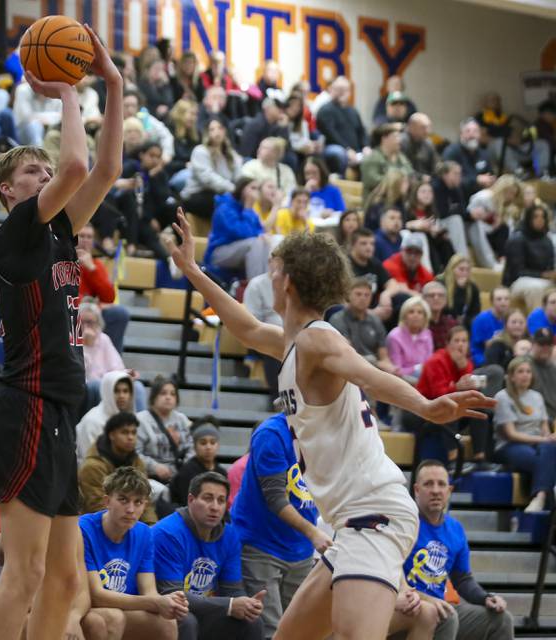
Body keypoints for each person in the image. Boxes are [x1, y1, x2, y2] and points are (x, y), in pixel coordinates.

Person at [169, 211, 494, 639]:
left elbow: (367, 373)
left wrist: (427, 405)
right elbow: (245, 327)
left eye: (274, 268)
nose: (269, 274)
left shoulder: (316, 339)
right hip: (350, 523)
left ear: (288, 282)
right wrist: (192, 269)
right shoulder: (293, 343)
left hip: (373, 512)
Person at [0, 26, 123, 640]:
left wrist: (112, 84)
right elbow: (75, 163)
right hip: (27, 408)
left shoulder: (61, 234)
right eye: (30, 172)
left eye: (43, 169)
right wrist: (68, 92)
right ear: (9, 191)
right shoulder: (14, 236)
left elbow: (106, 166)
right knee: (27, 571)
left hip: (62, 411)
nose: (46, 175)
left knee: (67, 583)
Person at [230, 414, 327, 640]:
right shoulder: (271, 434)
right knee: (270, 630)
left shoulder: (323, 432)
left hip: (300, 547)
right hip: (262, 545)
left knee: (301, 629)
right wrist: (313, 532)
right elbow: (275, 499)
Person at [404, 460, 515, 639]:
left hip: (442, 608)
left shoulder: (455, 529)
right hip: (408, 607)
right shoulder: (405, 524)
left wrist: (485, 598)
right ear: (417, 490)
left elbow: (462, 579)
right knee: (447, 616)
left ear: (449, 491)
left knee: (501, 620)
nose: (435, 490)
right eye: (428, 484)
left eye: (441, 484)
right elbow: (391, 576)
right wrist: (426, 600)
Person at [153, 472, 265, 640]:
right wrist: (230, 605)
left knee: (252, 621)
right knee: (187, 621)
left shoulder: (230, 535)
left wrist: (247, 605)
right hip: (165, 609)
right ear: (191, 500)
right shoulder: (167, 533)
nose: (215, 507)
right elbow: (173, 593)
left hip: (206, 610)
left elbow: (232, 589)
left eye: (221, 501)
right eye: (207, 498)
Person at [80, 466, 186, 639]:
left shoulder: (144, 533)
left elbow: (149, 591)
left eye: (138, 502)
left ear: (145, 505)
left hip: (125, 607)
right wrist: (155, 602)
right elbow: (96, 596)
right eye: (123, 500)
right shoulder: (84, 529)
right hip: (88, 608)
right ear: (107, 501)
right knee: (113, 618)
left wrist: (170, 602)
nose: (130, 510)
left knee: (168, 622)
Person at [412, 326, 503, 469]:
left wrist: (463, 368)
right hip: (424, 410)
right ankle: (453, 459)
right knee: (450, 405)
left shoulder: (466, 363)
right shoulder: (435, 361)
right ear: (447, 344)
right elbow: (439, 395)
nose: (461, 344)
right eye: (457, 340)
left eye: (464, 341)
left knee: (480, 411)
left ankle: (480, 458)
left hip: (446, 409)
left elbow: (468, 391)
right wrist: (457, 387)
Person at [492, 357, 556, 513]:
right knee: (544, 461)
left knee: (550, 449)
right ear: (512, 376)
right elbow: (511, 434)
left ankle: (539, 498)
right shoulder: (502, 397)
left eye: (528, 371)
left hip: (538, 444)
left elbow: (544, 427)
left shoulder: (537, 396)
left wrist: (548, 437)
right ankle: (544, 501)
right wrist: (543, 439)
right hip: (509, 446)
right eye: (520, 371)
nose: (525, 375)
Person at [79, 413, 157, 524]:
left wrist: (151, 527)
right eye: (124, 432)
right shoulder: (93, 466)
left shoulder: (137, 461)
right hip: (100, 527)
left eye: (134, 433)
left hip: (130, 522)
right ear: (111, 435)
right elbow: (97, 506)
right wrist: (131, 527)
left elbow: (145, 501)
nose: (130, 437)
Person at [76, 224, 130, 353]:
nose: (85, 240)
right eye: (81, 236)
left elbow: (109, 297)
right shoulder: (63, 261)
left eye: (89, 237)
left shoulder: (96, 265)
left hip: (91, 312)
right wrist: (95, 305)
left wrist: (92, 269)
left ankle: (114, 367)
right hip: (71, 310)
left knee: (120, 314)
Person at [203, 177, 269, 280]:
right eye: (252, 188)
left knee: (266, 243)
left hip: (240, 250)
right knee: (255, 244)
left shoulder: (250, 209)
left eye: (257, 189)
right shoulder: (224, 207)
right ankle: (255, 288)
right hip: (218, 252)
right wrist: (248, 208)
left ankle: (266, 285)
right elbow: (240, 232)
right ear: (242, 189)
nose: (255, 192)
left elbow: (259, 230)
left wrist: (261, 235)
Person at [329, 278, 396, 373]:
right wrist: (377, 364)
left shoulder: (375, 320)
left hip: (375, 368)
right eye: (358, 294)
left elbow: (384, 356)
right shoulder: (338, 319)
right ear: (349, 295)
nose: (363, 298)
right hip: (349, 368)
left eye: (367, 295)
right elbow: (347, 355)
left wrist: (389, 367)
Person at [135, 376, 192, 488]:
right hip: (151, 477)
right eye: (163, 393)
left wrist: (185, 468)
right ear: (153, 397)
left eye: (172, 394)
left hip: (180, 476)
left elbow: (192, 447)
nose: (168, 397)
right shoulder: (140, 420)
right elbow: (135, 453)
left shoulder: (182, 419)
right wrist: (154, 467)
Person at [180, 117, 242, 220]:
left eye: (220, 128)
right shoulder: (200, 151)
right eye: (212, 129)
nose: (217, 132)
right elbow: (208, 179)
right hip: (197, 194)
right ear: (207, 133)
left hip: (223, 193)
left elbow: (239, 176)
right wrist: (233, 190)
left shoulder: (232, 154)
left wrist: (241, 190)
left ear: (225, 131)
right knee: (225, 204)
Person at [77, 371, 139, 462]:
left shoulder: (131, 419)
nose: (122, 396)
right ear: (107, 391)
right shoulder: (93, 421)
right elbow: (90, 461)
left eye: (125, 391)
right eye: (116, 391)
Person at [505, 203, 555, 312]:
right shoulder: (517, 239)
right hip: (517, 282)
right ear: (528, 219)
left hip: (543, 280)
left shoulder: (548, 241)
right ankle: (538, 325)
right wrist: (543, 275)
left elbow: (550, 268)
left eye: (543, 216)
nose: (540, 219)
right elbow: (516, 272)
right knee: (535, 287)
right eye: (536, 216)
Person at [466, 174, 521, 271]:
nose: (511, 197)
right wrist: (487, 220)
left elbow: (509, 230)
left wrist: (498, 224)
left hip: (494, 236)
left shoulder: (508, 206)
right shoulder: (483, 197)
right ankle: (492, 264)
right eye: (510, 192)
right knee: (478, 226)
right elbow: (469, 216)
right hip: (475, 231)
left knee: (506, 229)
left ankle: (503, 259)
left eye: (514, 194)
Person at [315, 76, 369, 175]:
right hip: (333, 148)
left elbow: (362, 131)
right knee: (339, 153)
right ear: (331, 90)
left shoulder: (353, 111)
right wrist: (347, 149)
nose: (342, 92)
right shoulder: (325, 110)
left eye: (345, 90)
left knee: (372, 156)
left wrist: (366, 146)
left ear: (349, 92)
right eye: (338, 89)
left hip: (355, 151)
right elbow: (331, 134)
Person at [169, 419, 227, 508]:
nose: (208, 447)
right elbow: (186, 505)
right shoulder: (186, 472)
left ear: (218, 446)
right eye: (203, 443)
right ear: (195, 446)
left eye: (212, 443)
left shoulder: (222, 472)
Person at [441, 118, 495, 198]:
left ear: (479, 134)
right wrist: (476, 180)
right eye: (468, 131)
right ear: (461, 134)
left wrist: (490, 181)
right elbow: (449, 181)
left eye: (475, 131)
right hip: (458, 198)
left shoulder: (484, 154)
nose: (472, 135)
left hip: (481, 196)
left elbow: (490, 175)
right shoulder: (451, 152)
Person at [387, 296, 434, 384]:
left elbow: (430, 364)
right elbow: (397, 371)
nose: (416, 315)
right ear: (404, 316)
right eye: (411, 312)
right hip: (404, 380)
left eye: (420, 312)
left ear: (425, 317)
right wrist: (417, 368)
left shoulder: (427, 334)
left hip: (425, 377)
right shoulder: (394, 336)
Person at [360, 123, 413, 198]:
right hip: (377, 202)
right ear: (384, 138)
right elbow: (372, 181)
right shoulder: (372, 158)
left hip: (398, 200)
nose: (399, 140)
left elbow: (410, 173)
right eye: (396, 136)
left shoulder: (401, 157)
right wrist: (398, 181)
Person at [432, 161, 470, 258]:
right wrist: (456, 210)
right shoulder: (436, 187)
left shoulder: (456, 188)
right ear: (445, 175)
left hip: (447, 221)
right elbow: (442, 212)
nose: (459, 176)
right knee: (455, 220)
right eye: (455, 173)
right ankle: (462, 258)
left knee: (475, 223)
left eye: (460, 173)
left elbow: (462, 209)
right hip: (436, 222)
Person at [437, 255, 481, 330]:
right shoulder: (440, 283)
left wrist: (465, 320)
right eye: (461, 269)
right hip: (442, 323)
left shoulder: (472, 287)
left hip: (463, 325)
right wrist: (459, 290)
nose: (464, 273)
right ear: (452, 269)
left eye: (467, 270)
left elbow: (475, 312)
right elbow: (445, 310)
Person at [470, 286, 510, 366]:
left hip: (502, 357)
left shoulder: (510, 318)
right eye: (499, 299)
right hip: (482, 358)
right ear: (492, 301)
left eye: (506, 299)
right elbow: (487, 346)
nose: (503, 302)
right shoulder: (482, 319)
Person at [530, 328, 556, 428]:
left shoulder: (553, 368)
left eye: (549, 345)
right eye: (541, 344)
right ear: (533, 344)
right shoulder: (524, 366)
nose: (545, 348)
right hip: (535, 423)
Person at [422, 281, 458, 351]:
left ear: (445, 300)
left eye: (440, 295)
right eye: (431, 295)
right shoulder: (418, 324)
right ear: (423, 299)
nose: (436, 298)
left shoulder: (452, 324)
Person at [401, 112, 438, 179]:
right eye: (423, 127)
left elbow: (434, 167)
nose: (427, 131)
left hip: (426, 182)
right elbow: (402, 168)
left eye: (429, 127)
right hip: (407, 180)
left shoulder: (428, 143)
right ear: (412, 127)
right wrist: (420, 177)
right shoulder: (401, 142)